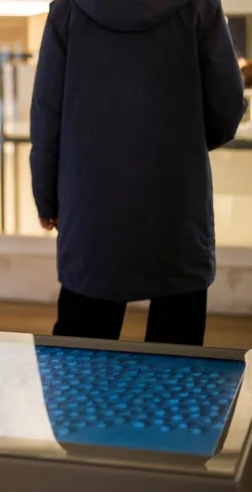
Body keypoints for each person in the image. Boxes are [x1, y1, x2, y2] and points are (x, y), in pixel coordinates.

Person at [30, 0, 247, 345]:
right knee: (178, 365)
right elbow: (228, 103)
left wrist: (47, 198)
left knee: (84, 361)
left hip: (91, 205)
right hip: (176, 201)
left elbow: (47, 111)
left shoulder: (69, 7)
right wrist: (183, 143)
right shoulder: (199, 5)